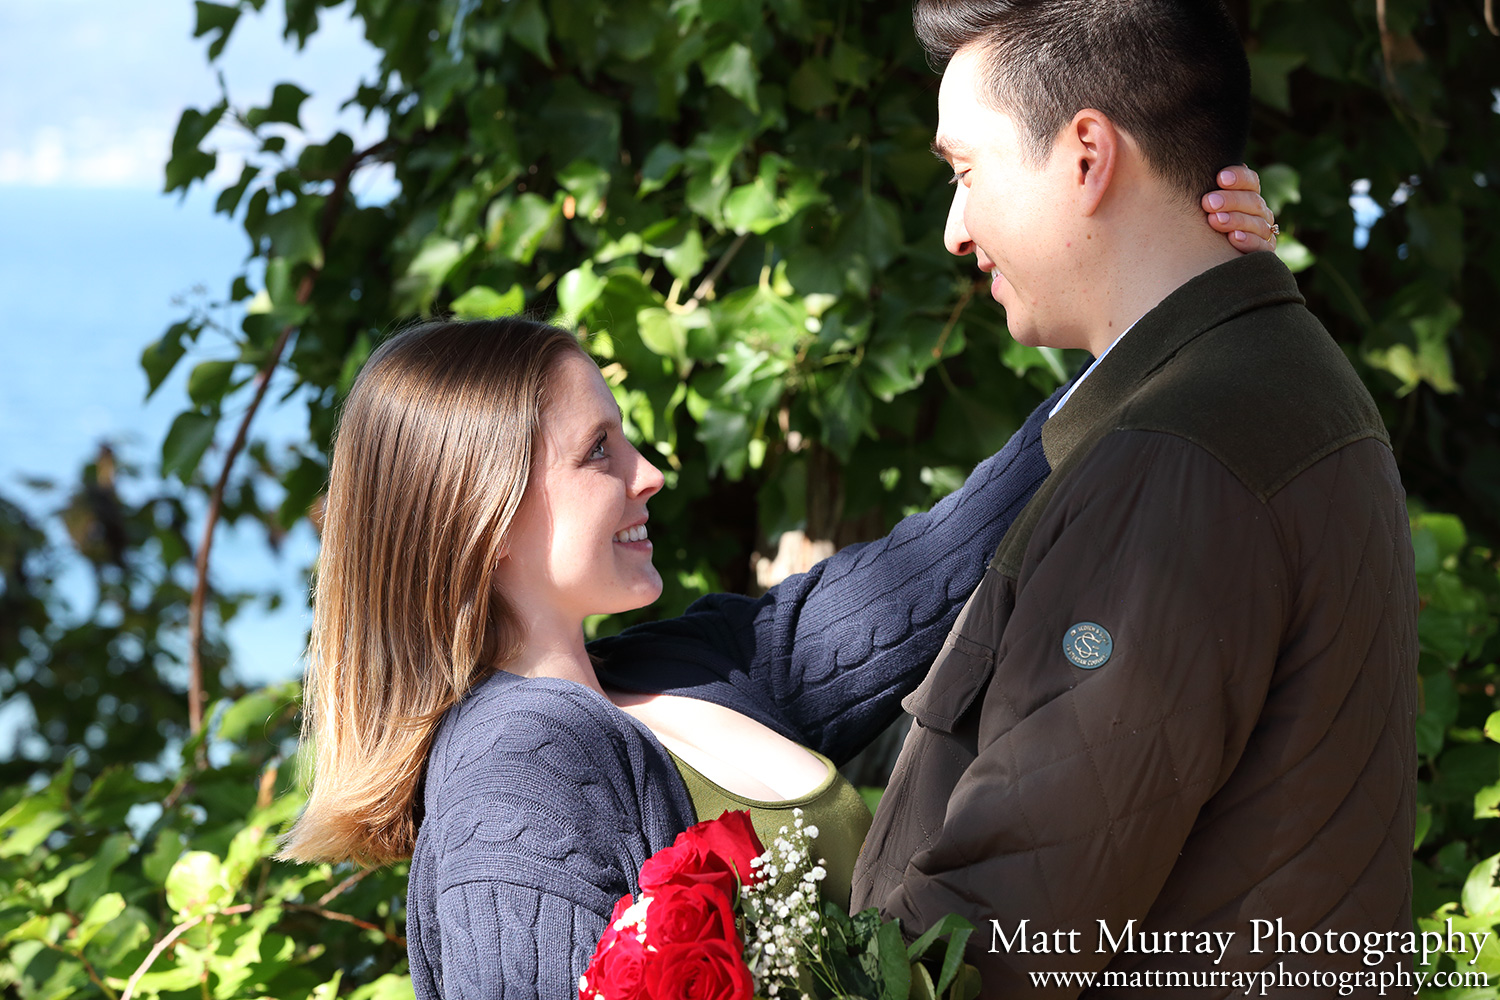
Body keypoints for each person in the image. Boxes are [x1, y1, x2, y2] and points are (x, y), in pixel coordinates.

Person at [277, 184, 1277, 997]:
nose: (649, 473)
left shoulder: (690, 666)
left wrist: (1170, 305)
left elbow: (945, 554)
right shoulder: (512, 770)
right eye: (598, 453)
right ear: (485, 521)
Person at [846, 1, 1419, 995]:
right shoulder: (1250, 388)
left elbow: (996, 934)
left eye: (964, 171)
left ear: (1086, 155)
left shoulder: (1176, 460)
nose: (953, 229)